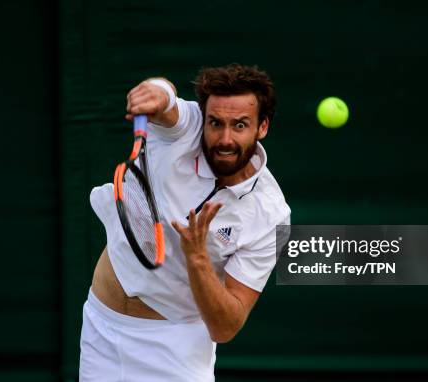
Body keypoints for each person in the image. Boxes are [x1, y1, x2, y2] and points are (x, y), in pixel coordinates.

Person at [79, 64, 291, 381]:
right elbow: (166, 98)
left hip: (175, 350)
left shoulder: (273, 215)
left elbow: (225, 327)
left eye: (240, 125)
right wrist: (155, 90)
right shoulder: (188, 125)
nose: (225, 138)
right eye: (215, 123)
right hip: (101, 329)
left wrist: (198, 259)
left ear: (262, 127)